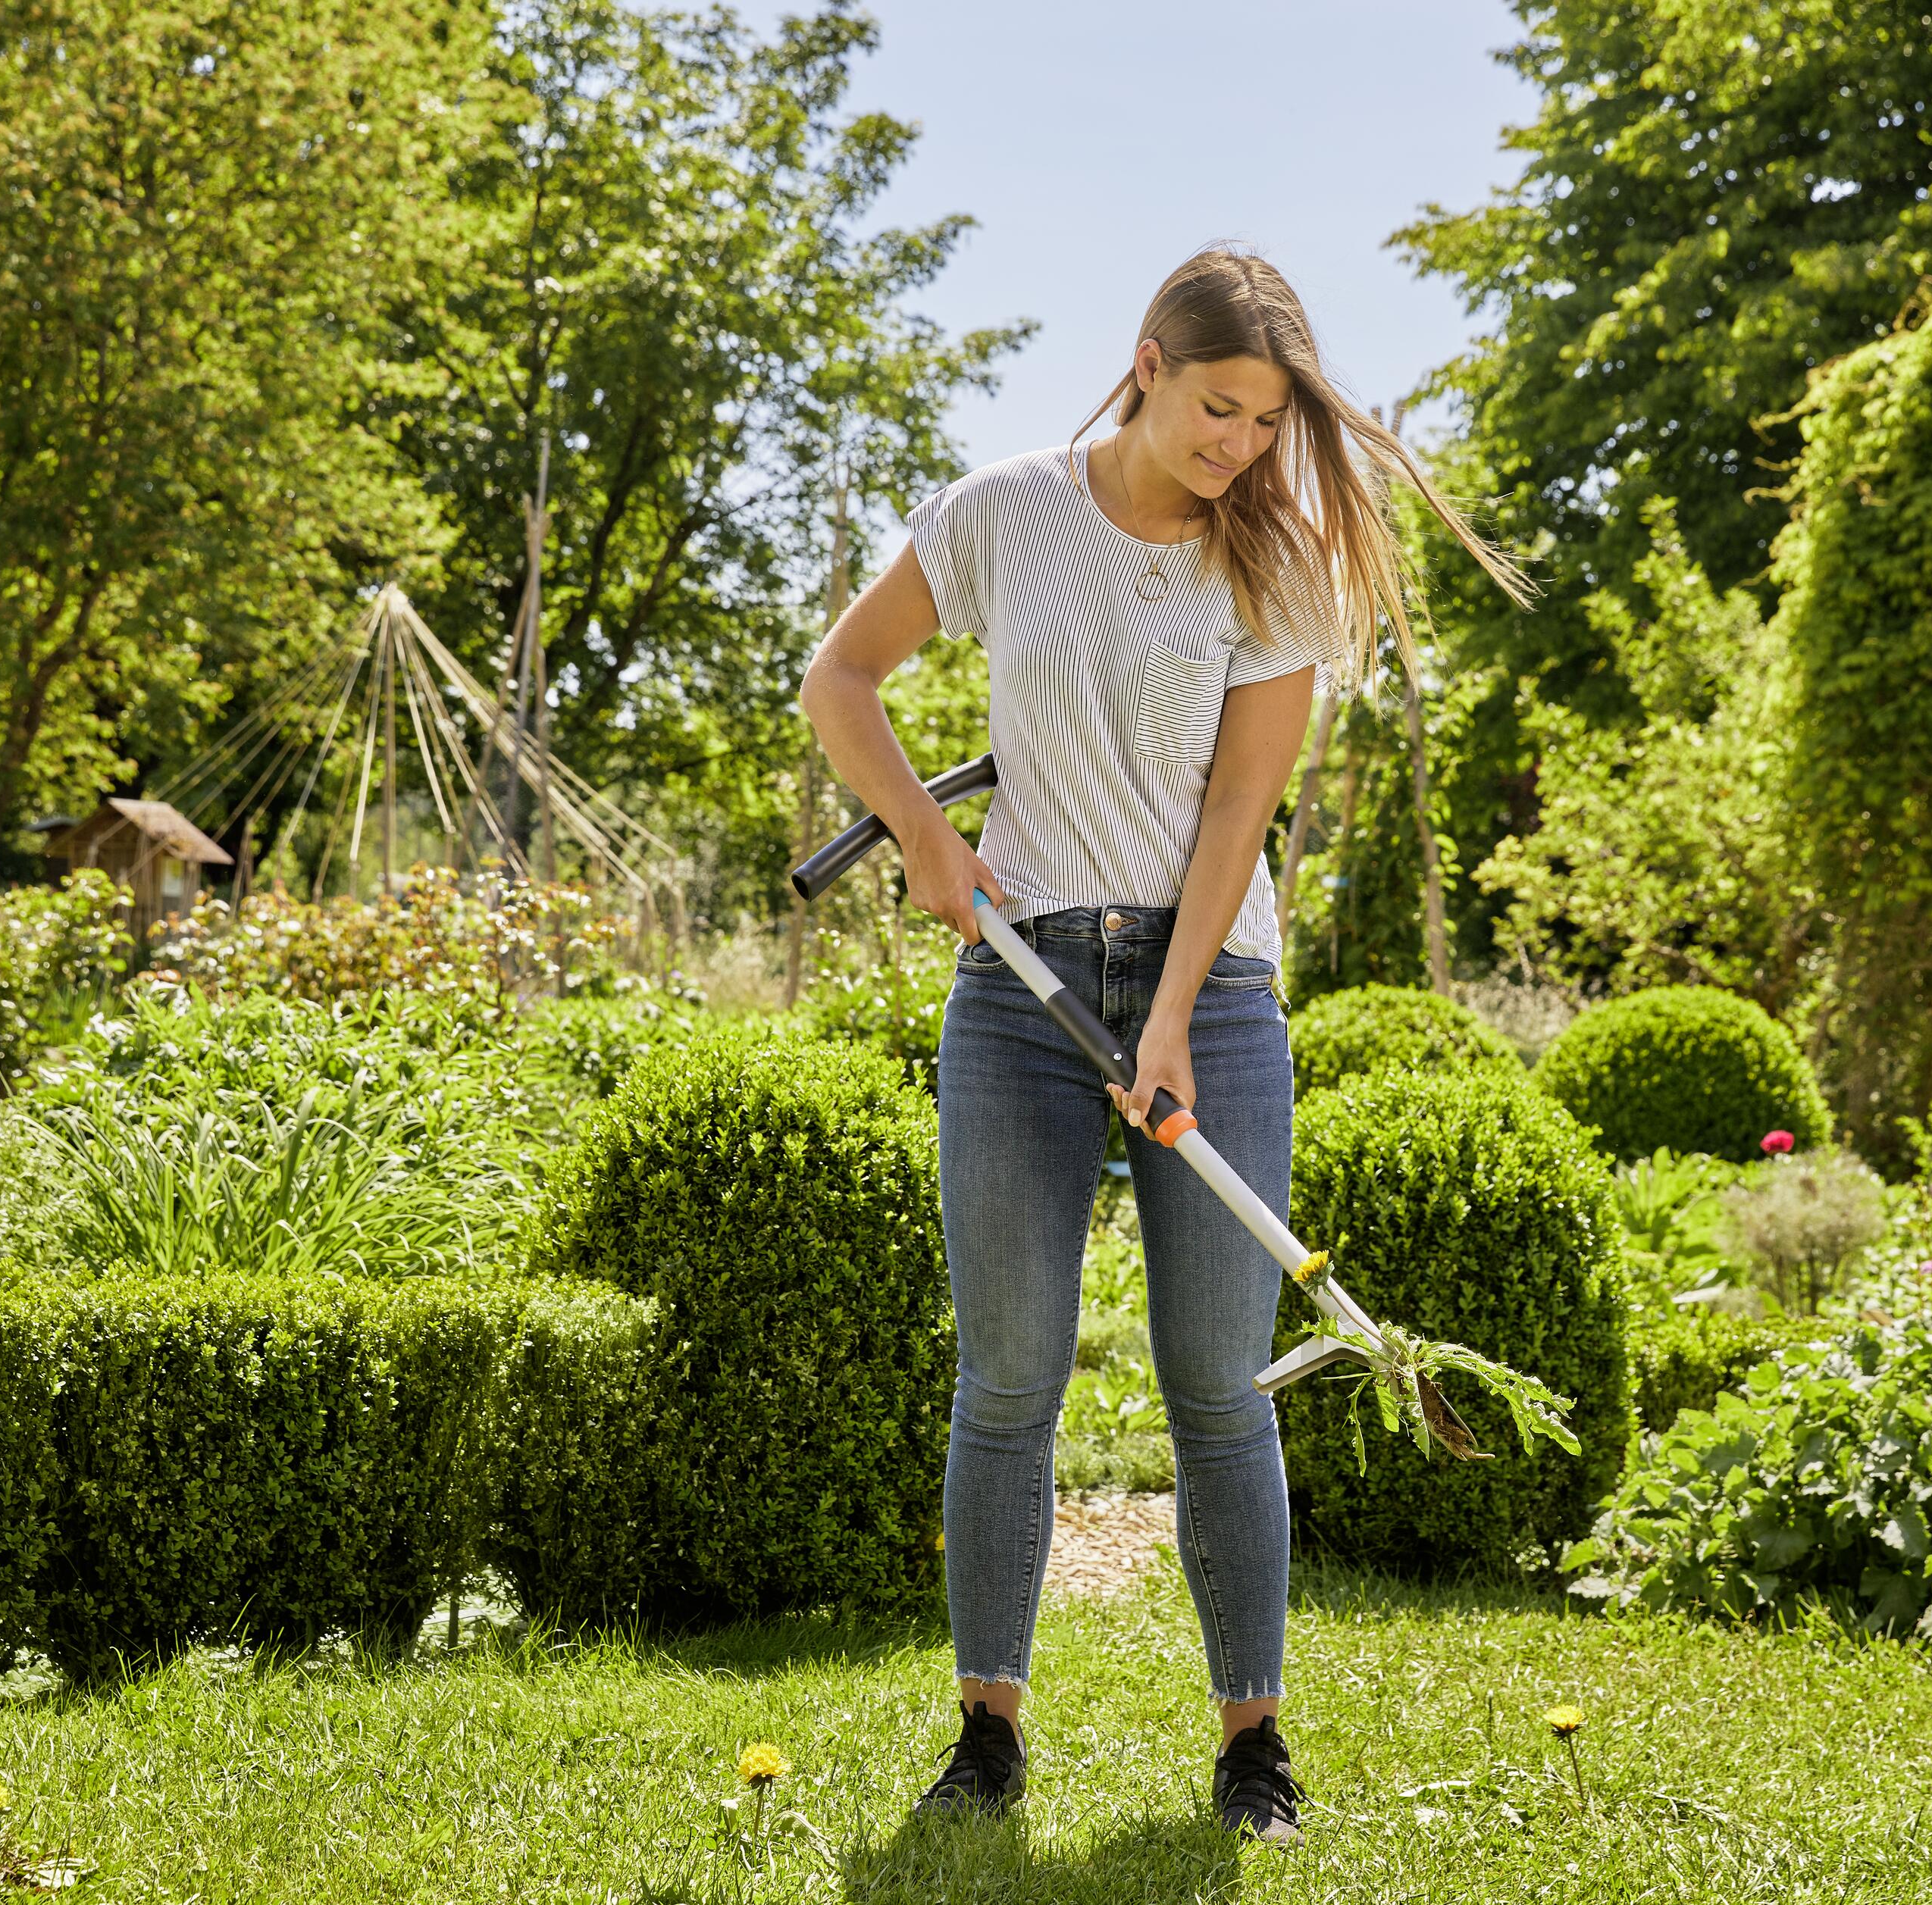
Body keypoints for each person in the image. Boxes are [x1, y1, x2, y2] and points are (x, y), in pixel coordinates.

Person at [798, 246, 1529, 1844]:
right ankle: (986, 1733)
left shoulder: (1276, 568)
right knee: (1008, 1380)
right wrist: (922, 835)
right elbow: (838, 678)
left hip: (1216, 994)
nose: (1240, 448)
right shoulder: (1005, 512)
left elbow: (1235, 817)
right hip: (1019, 991)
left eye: (1266, 422)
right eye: (1218, 408)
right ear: (1145, 364)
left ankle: (1251, 1747)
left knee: (1218, 1383)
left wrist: (1182, 1009)